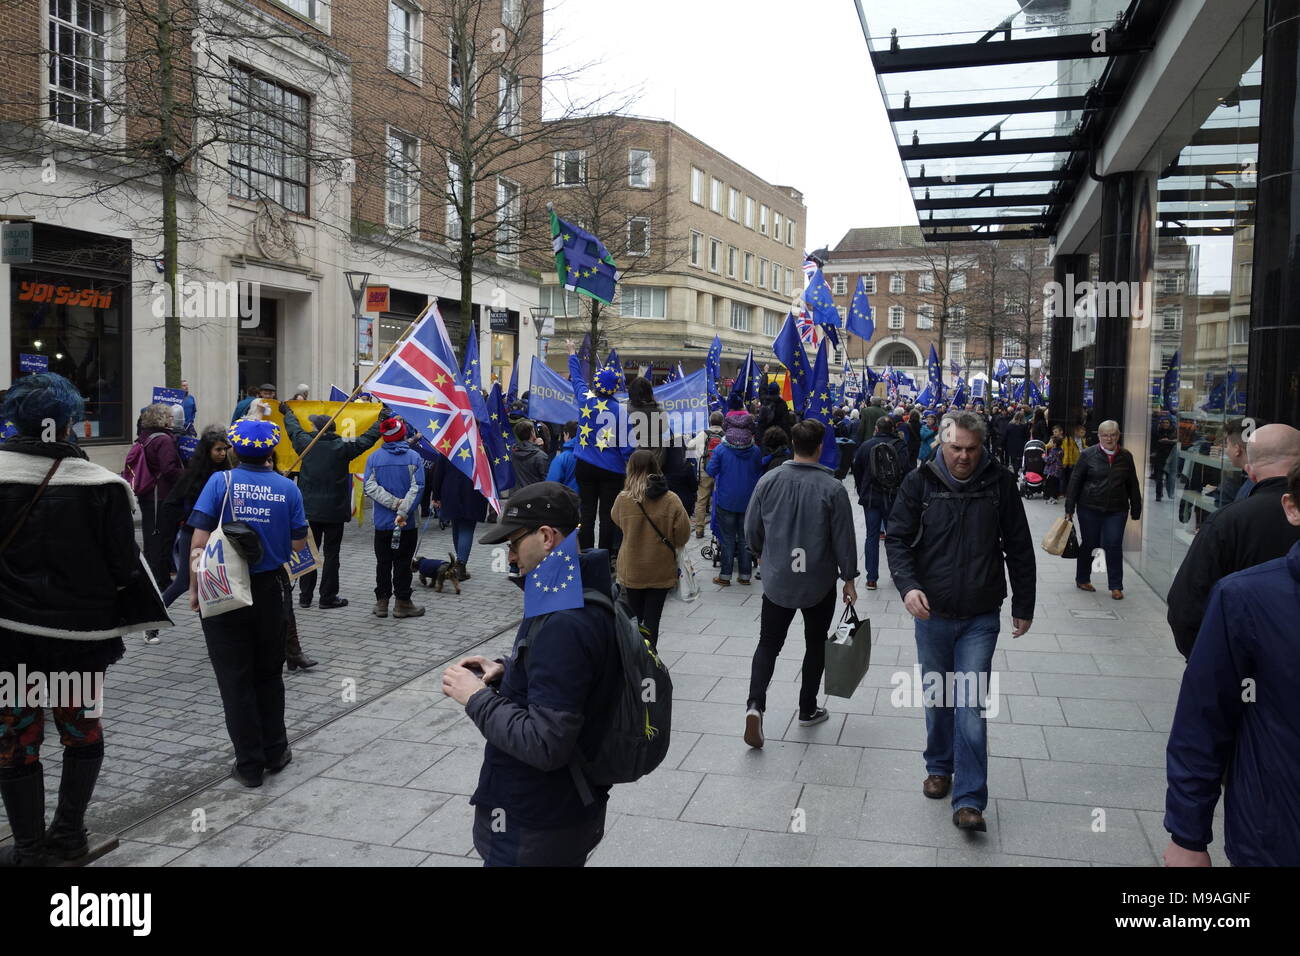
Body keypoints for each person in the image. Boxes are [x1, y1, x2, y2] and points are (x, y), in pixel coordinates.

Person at [0, 374, 167, 865]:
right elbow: (123, 568)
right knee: (81, 730)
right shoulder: (103, 486)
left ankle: (28, 847)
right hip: (80, 639)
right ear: (71, 423)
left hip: (9, 639)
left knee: (17, 734)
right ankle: (69, 835)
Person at [445, 482, 621, 867]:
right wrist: (507, 671)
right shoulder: (572, 592)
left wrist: (475, 697)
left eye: (512, 543)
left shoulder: (566, 620)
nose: (509, 557)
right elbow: (569, 679)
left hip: (538, 823)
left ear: (545, 537)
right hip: (559, 812)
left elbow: (546, 743)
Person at [885, 412, 1035, 832]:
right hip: (931, 612)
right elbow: (897, 538)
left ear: (981, 446)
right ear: (942, 444)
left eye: (972, 449)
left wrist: (1024, 604)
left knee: (970, 704)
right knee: (937, 696)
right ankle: (939, 766)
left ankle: (970, 799)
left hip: (980, 615)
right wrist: (908, 586)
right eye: (956, 449)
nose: (964, 457)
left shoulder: (1001, 484)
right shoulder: (920, 482)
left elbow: (1020, 547)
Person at [1163, 459, 1300, 867]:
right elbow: (1204, 717)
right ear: (1292, 508)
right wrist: (1187, 835)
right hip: (1274, 838)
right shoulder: (1244, 599)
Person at [187, 418, 308, 788]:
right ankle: (276, 750)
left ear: (235, 451)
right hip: (269, 590)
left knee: (234, 678)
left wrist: (194, 591)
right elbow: (299, 545)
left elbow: (198, 543)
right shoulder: (288, 489)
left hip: (223, 590)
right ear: (271, 452)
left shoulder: (218, 482)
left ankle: (249, 764)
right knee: (269, 674)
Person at [743, 419, 858, 746]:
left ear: (794, 444)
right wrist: (849, 578)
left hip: (778, 579)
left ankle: (755, 704)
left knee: (768, 644)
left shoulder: (769, 481)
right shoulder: (833, 488)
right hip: (818, 581)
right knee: (815, 643)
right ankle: (807, 709)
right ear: (820, 446)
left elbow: (752, 528)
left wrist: (759, 555)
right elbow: (844, 538)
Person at [1165, 424, 1300, 660]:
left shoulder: (1227, 522)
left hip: (1246, 667)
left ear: (1250, 472)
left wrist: (1218, 662)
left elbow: (1185, 608)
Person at [282, 403, 384, 610]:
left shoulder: (306, 444)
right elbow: (367, 439)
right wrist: (380, 421)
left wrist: (288, 413)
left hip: (309, 510)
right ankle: (327, 597)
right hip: (335, 511)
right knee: (332, 554)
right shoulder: (343, 447)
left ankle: (305, 596)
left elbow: (293, 429)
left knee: (309, 552)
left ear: (318, 429)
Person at [144, 426, 232, 644]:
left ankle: (220, 633)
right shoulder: (192, 476)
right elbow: (172, 504)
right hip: (192, 537)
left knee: (221, 582)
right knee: (184, 581)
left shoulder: (228, 475)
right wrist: (184, 521)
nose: (222, 453)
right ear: (207, 451)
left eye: (225, 449)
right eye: (218, 450)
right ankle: (152, 623)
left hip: (220, 538)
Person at [610, 449, 690, 648]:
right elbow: (682, 534)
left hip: (632, 567)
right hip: (660, 568)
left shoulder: (623, 499)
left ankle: (635, 657)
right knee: (653, 619)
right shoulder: (671, 499)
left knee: (633, 618)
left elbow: (615, 520)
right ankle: (650, 656)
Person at [1064, 420, 1141, 600]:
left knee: (1113, 544)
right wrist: (1069, 508)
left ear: (1118, 436)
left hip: (1117, 509)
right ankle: (1082, 578)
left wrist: (1136, 508)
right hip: (1089, 507)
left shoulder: (1126, 457)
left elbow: (1133, 484)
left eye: (1113, 434)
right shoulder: (1088, 455)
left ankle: (1116, 585)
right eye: (1105, 435)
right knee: (1090, 543)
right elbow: (1075, 482)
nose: (1109, 438)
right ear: (1098, 436)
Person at [363, 417, 426, 619]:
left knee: (383, 562)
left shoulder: (373, 459)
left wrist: (392, 504)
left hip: (382, 523)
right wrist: (403, 510)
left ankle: (382, 602)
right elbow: (418, 488)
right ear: (402, 434)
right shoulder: (414, 457)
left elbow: (370, 486)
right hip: (406, 523)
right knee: (403, 562)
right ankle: (402, 602)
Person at [567, 341, 626, 554]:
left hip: (585, 465)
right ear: (615, 388)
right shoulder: (622, 412)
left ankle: (585, 552)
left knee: (587, 512)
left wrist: (572, 354)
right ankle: (605, 555)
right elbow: (627, 447)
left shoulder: (585, 400)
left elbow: (577, 380)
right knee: (609, 515)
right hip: (612, 470)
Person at [706, 402, 764, 586]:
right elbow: (759, 471)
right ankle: (745, 576)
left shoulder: (721, 450)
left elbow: (710, 470)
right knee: (745, 538)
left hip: (726, 500)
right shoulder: (755, 451)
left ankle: (725, 576)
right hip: (748, 501)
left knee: (727, 538)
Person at [129, 403, 185, 586]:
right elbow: (169, 470)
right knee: (162, 538)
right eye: (169, 416)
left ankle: (150, 575)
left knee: (151, 536)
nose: (171, 419)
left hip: (148, 494)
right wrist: (188, 475)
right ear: (161, 419)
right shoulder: (164, 440)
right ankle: (160, 579)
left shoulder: (144, 436)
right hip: (159, 495)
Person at [852, 416, 908, 591]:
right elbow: (906, 470)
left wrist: (862, 490)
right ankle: (895, 571)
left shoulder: (866, 445)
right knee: (894, 536)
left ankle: (871, 578)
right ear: (892, 428)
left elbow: (857, 469)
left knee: (872, 536)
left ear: (876, 428)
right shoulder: (900, 446)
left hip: (871, 497)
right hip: (893, 497)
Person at [429, 445, 488, 583]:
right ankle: (460, 566)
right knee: (466, 527)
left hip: (450, 491)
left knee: (457, 525)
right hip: (473, 491)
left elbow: (438, 472)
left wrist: (436, 495)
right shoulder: (479, 445)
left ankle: (458, 564)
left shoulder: (449, 444)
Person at [692, 411, 725, 539]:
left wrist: (699, 454)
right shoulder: (724, 436)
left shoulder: (703, 434)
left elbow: (690, 445)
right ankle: (718, 529)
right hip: (718, 473)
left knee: (701, 501)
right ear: (722, 422)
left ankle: (699, 530)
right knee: (718, 501)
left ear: (710, 421)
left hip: (704, 472)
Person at [510, 419, 551, 488]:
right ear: (532, 433)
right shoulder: (540, 455)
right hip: (534, 494)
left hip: (518, 494)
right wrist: (540, 448)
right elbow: (546, 480)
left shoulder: (513, 452)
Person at [545, 420, 580, 492]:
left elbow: (550, 485)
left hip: (567, 499)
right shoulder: (589, 456)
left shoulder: (562, 458)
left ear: (566, 434)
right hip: (586, 501)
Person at [1150, 412, 1178, 502]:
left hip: (1170, 457)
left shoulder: (1174, 431)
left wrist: (1168, 441)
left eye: (1167, 422)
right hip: (1160, 456)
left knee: (1170, 476)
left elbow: (1177, 442)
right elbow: (1153, 442)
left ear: (1170, 423)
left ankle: (1170, 493)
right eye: (1163, 422)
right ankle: (1158, 495)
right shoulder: (1158, 431)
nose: (1165, 424)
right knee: (1159, 477)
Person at [1042, 429, 1064, 504]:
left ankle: (1051, 497)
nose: (1050, 443)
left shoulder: (1053, 451)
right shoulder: (1061, 450)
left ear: (1054, 444)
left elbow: (1049, 460)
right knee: (1056, 484)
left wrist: (1044, 456)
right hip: (1058, 470)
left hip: (1052, 471)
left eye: (1051, 442)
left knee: (1051, 484)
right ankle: (1055, 497)